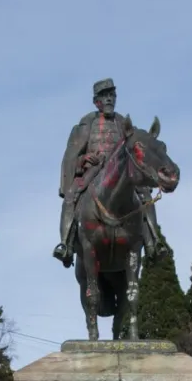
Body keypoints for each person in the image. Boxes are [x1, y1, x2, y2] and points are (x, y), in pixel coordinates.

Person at [53, 77, 167, 268]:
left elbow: (136, 146)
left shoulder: (123, 123)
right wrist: (84, 160)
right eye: (104, 96)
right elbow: (73, 155)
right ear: (96, 101)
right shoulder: (87, 123)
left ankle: (153, 243)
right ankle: (66, 244)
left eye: (111, 95)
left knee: (144, 194)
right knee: (72, 195)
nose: (109, 100)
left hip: (120, 173)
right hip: (95, 171)